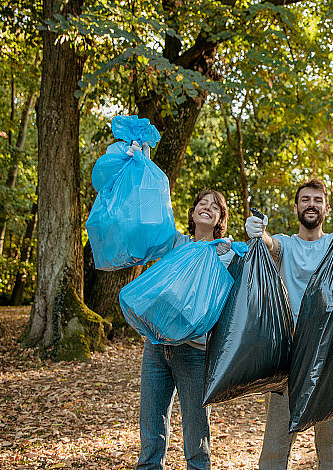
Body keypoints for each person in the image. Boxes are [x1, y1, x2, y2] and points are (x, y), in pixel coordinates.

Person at [244, 178, 333, 470]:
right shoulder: (286, 244)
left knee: (332, 451)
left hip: (330, 357)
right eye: (305, 199)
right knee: (275, 447)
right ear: (296, 208)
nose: (311, 204)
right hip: (289, 357)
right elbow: (270, 245)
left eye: (318, 200)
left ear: (327, 209)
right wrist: (258, 232)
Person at [135, 187, 236, 470]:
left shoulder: (225, 254)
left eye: (215, 206)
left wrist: (225, 257)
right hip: (157, 346)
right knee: (151, 434)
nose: (207, 208)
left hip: (195, 351)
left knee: (197, 438)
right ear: (192, 214)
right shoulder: (175, 244)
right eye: (202, 203)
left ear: (220, 219)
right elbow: (150, 221)